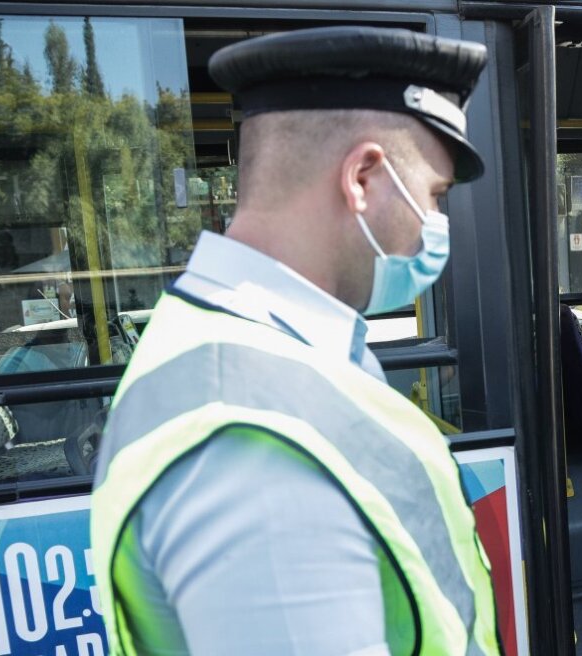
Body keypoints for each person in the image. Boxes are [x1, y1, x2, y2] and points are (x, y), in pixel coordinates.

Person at [89, 27, 500, 656]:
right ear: (362, 177)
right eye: (433, 196)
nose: (435, 229)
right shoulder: (249, 439)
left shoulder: (265, 352)